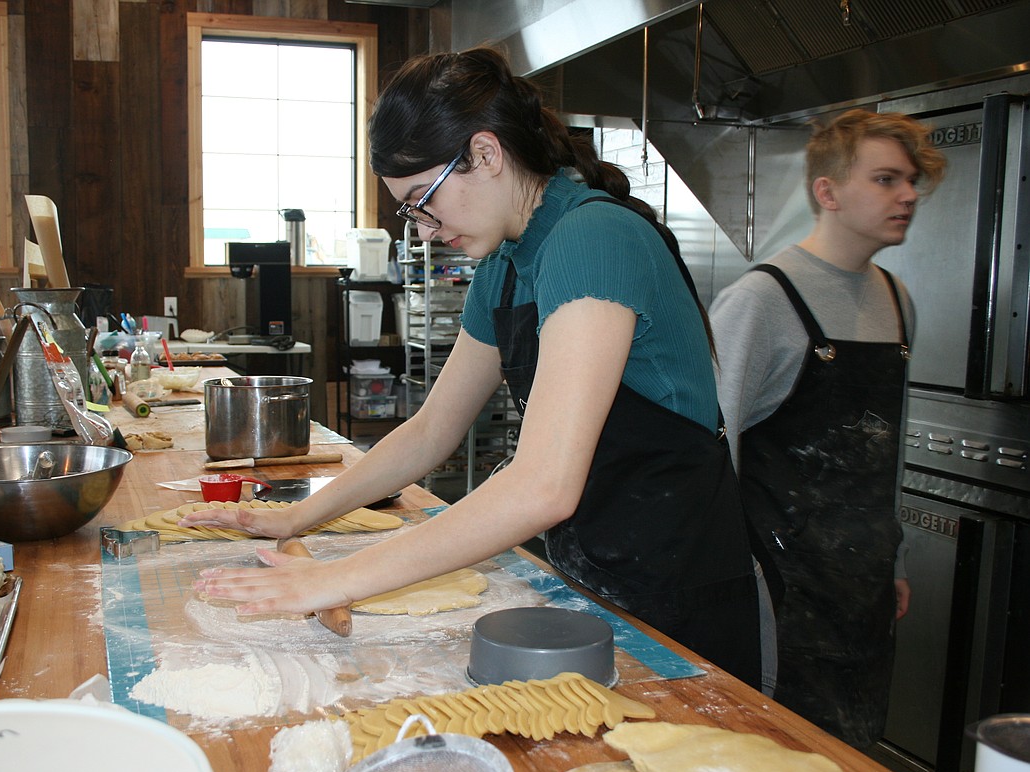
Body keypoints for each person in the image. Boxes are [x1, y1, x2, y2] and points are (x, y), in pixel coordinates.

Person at [186, 46, 763, 687]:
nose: (423, 231)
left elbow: (543, 484)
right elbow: (431, 430)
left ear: (485, 155)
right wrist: (297, 518)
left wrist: (332, 580)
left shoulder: (595, 238)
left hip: (675, 598)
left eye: (421, 202)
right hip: (593, 577)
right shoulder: (505, 267)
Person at [708, 109, 946, 748]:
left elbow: (882, 453)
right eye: (888, 179)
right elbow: (711, 449)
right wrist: (730, 590)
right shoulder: (763, 301)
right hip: (778, 592)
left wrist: (890, 557)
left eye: (912, 180)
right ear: (828, 192)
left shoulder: (897, 300)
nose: (908, 195)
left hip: (862, 588)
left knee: (852, 750)